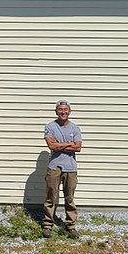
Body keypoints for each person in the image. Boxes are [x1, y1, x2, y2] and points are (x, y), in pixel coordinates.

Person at [42, 99, 82, 239]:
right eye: (60, 109)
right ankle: (47, 224)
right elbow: (51, 146)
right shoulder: (50, 126)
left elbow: (78, 148)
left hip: (70, 167)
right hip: (54, 166)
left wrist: (60, 144)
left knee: (69, 197)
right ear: (56, 111)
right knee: (50, 197)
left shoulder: (75, 128)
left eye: (65, 109)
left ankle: (70, 225)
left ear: (69, 112)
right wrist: (69, 143)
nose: (63, 112)